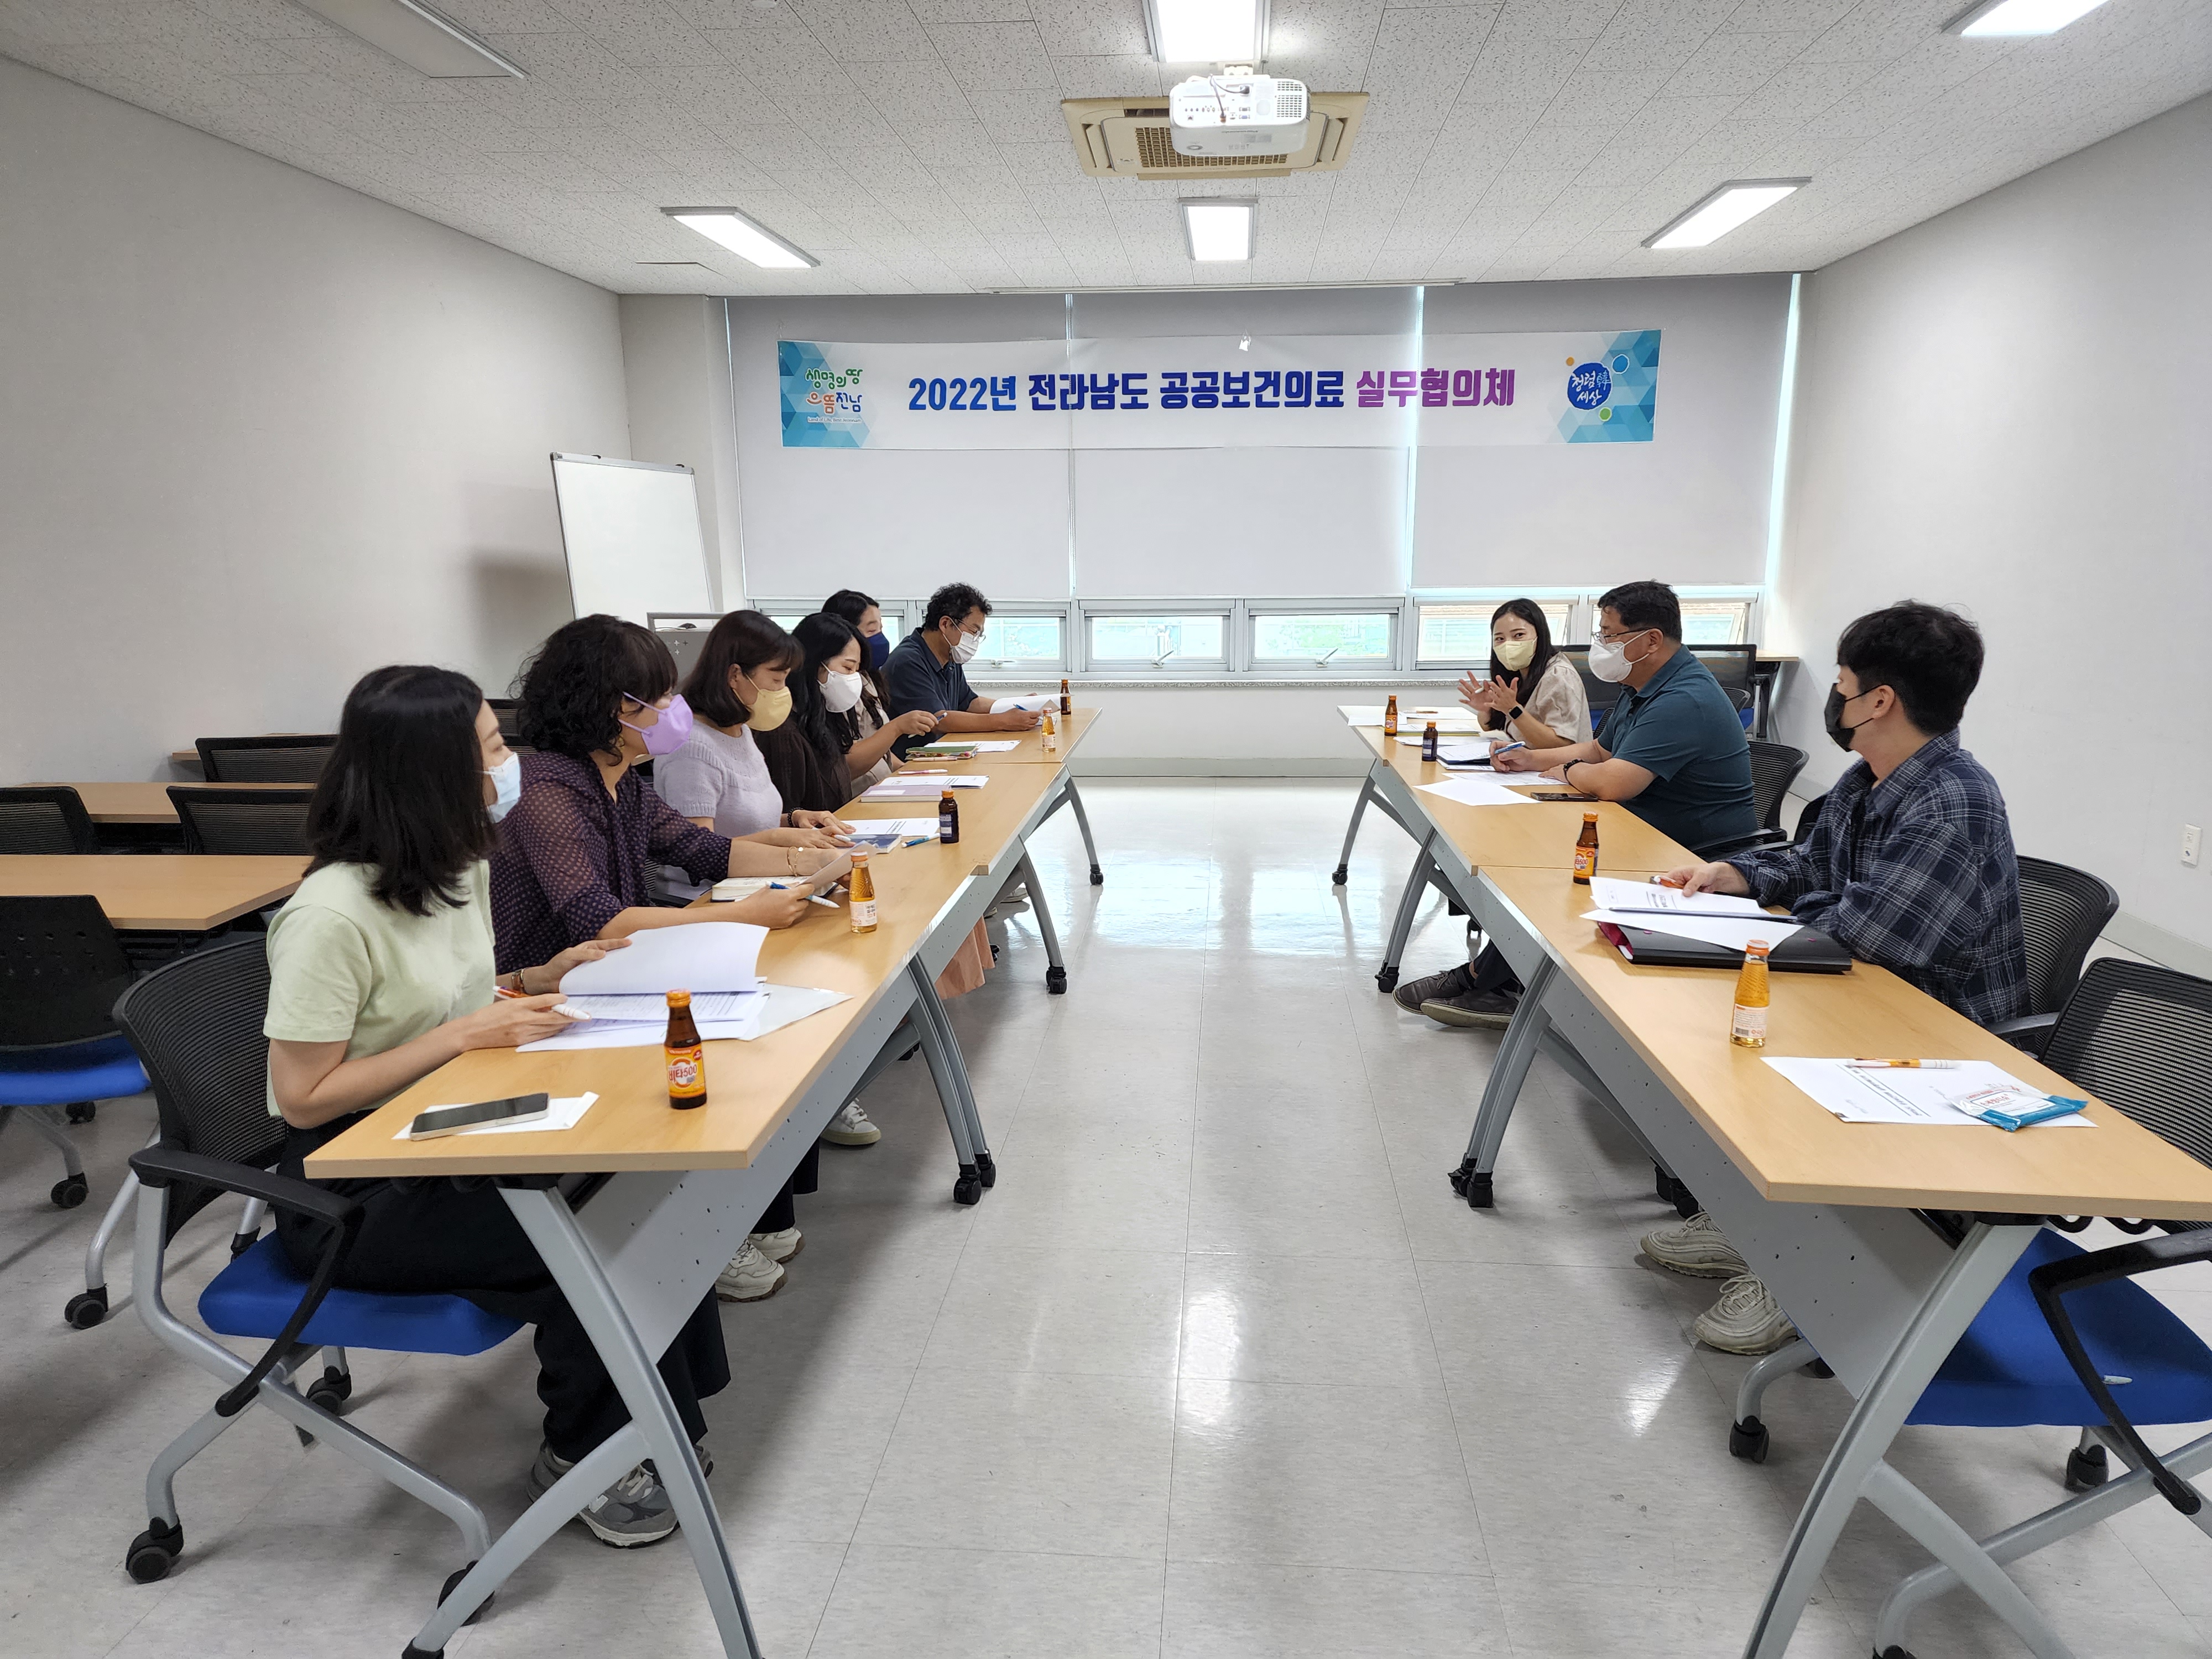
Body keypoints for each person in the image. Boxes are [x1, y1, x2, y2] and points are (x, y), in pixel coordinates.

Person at [263, 665, 727, 1549]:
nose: (508, 761)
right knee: (592, 1239)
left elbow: (453, 999)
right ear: (431, 774)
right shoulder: (329, 915)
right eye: (490, 747)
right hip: (351, 1187)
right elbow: (303, 1099)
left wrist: (535, 978)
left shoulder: (451, 870)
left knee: (644, 1186)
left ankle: (654, 1419)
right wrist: (462, 1037)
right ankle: (586, 1454)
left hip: (450, 1123)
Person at [1637, 601, 2028, 1355]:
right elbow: (1810, 863)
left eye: (1843, 682)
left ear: (1878, 701)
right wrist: (1736, 875)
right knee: (1721, 1032)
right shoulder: (1870, 780)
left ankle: (1803, 1270)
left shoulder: (1954, 803)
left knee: (1764, 1041)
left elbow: (1868, 932)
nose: (1836, 695)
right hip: (1871, 996)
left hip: (1938, 1038)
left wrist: (1804, 902)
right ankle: (1752, 1221)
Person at [490, 614, 820, 1301]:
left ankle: (731, 1215)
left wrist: (807, 862)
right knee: (690, 1072)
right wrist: (743, 913)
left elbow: (704, 849)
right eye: (659, 698)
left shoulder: (621, 781)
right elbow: (596, 917)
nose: (675, 710)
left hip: (611, 978)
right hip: (543, 1000)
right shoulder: (549, 792)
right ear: (610, 706)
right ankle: (696, 1235)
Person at [1399, 581, 1759, 1029]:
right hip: (1641, 825)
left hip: (1690, 849)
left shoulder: (1684, 698)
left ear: (1651, 640)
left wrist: (1567, 770)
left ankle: (1491, 982)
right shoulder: (1641, 685)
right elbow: (1599, 750)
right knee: (1538, 851)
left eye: (1610, 636)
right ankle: (1498, 980)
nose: (1601, 646)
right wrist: (1530, 759)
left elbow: (1612, 781)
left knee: (1552, 871)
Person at [652, 609, 851, 902]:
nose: (782, 691)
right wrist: (780, 840)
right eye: (776, 679)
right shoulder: (691, 747)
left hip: (758, 882)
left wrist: (795, 819)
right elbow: (699, 853)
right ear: (735, 676)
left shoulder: (740, 729)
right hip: (705, 899)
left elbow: (743, 822)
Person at [881, 581, 1042, 758]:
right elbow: (939, 720)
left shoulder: (950, 655)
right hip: (911, 762)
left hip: (945, 754)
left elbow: (969, 703)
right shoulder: (907, 661)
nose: (975, 640)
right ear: (946, 624)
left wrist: (1014, 705)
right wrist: (1004, 720)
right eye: (973, 631)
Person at [821, 589, 934, 790]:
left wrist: (909, 772)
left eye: (880, 629)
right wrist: (897, 728)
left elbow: (882, 752)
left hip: (884, 786)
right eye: (872, 631)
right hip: (859, 794)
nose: (880, 638)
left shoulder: (867, 677)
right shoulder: (836, 687)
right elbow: (848, 765)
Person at [1457, 598, 1588, 749]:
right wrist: (1488, 709)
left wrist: (1513, 709)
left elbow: (1561, 744)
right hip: (1524, 759)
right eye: (1500, 639)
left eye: (1518, 635)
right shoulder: (1518, 673)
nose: (1508, 644)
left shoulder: (1559, 676)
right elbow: (1488, 727)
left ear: (1540, 634)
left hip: (1556, 763)